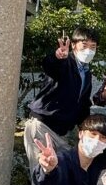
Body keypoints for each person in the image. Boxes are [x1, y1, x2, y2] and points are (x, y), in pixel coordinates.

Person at [25, 26, 99, 167]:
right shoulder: (65, 62)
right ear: (73, 45)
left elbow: (82, 105)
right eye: (84, 45)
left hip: (61, 131)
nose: (89, 50)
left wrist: (88, 130)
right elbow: (50, 66)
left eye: (93, 46)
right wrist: (57, 57)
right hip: (42, 125)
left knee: (60, 173)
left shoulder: (86, 73)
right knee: (42, 173)